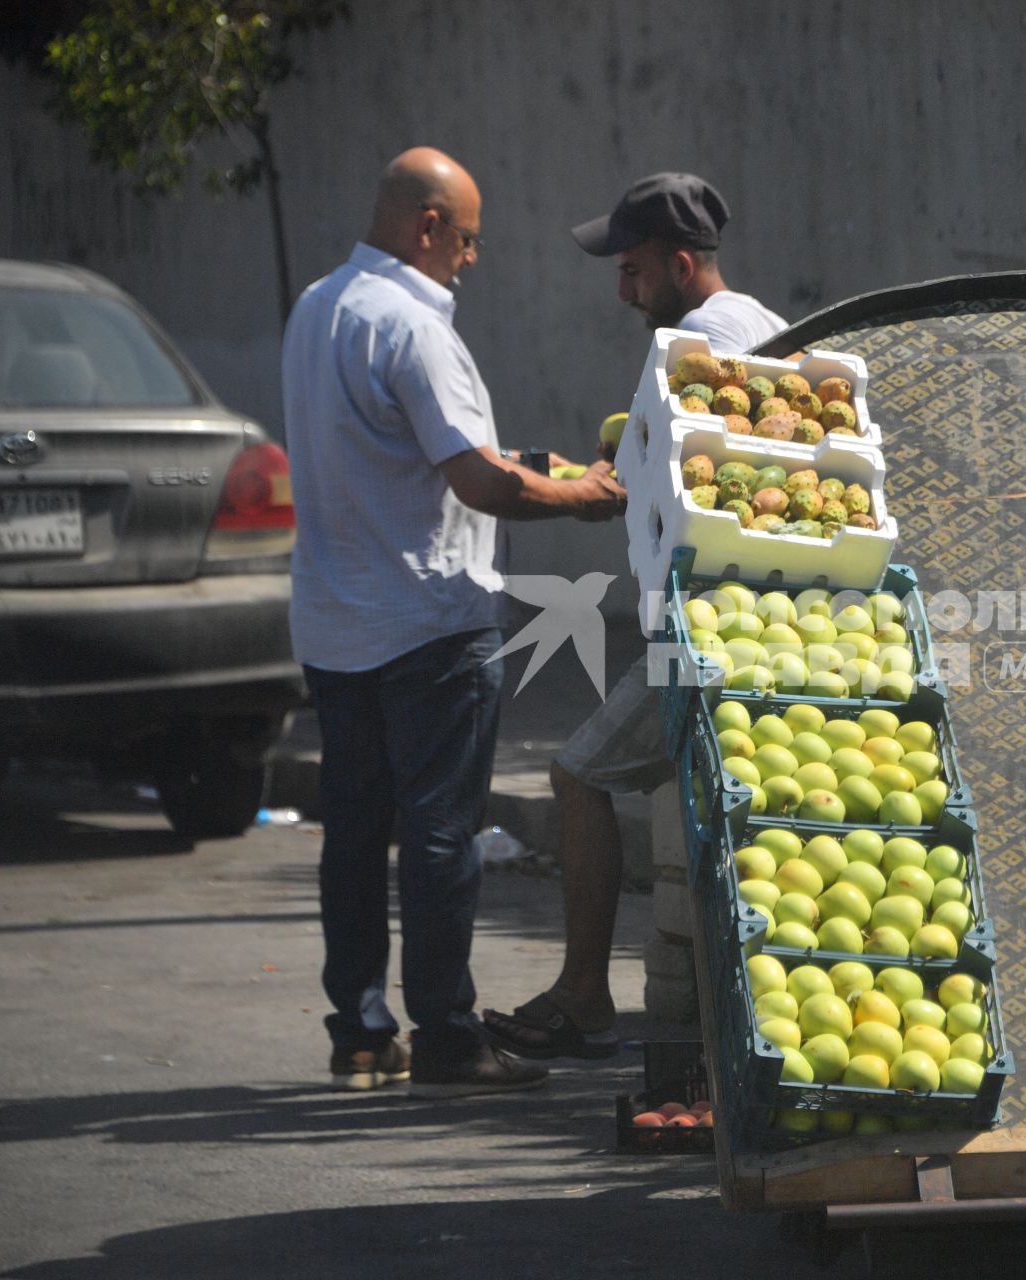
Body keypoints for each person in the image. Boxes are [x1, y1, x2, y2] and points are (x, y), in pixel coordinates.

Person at [283, 147, 625, 1099]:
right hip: (429, 623)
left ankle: (358, 1029)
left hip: (337, 623)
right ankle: (445, 1037)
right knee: (440, 835)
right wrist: (580, 498)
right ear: (429, 226)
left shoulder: (319, 308)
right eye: (467, 240)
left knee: (353, 836)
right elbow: (481, 482)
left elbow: (406, 453)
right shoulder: (414, 326)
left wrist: (536, 461)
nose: (472, 260)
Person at [480, 174, 786, 1059]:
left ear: (681, 264)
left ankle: (583, 996)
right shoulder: (759, 324)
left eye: (635, 270)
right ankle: (701, 1021)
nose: (623, 290)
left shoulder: (692, 346)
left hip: (708, 626)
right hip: (769, 616)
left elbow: (684, 495)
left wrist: (587, 487)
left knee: (578, 774)